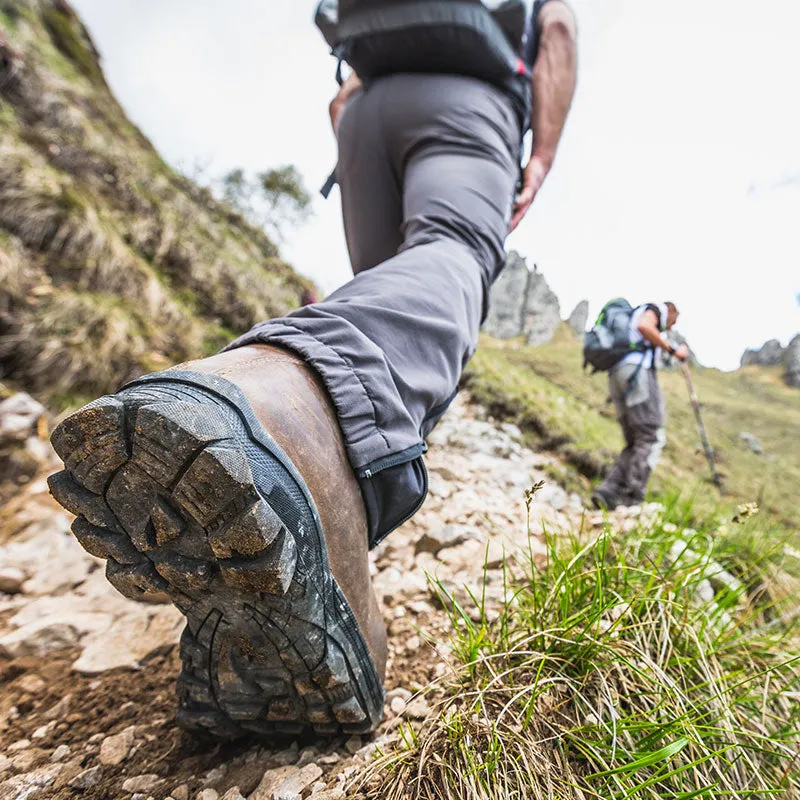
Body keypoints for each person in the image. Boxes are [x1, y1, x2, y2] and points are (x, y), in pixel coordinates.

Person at [47, 1, 578, 739]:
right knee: (452, 254)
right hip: (469, 100)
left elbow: (342, 90)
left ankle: (310, 516)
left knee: (391, 281)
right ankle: (283, 414)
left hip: (364, 112)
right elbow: (556, 27)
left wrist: (356, 118)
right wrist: (541, 150)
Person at [593, 302, 690, 511]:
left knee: (634, 440)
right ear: (671, 309)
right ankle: (632, 498)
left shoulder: (633, 315)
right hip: (637, 374)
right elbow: (645, 327)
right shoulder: (656, 310)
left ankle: (608, 491)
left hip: (618, 376)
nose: (672, 326)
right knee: (650, 434)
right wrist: (673, 349)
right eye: (675, 320)